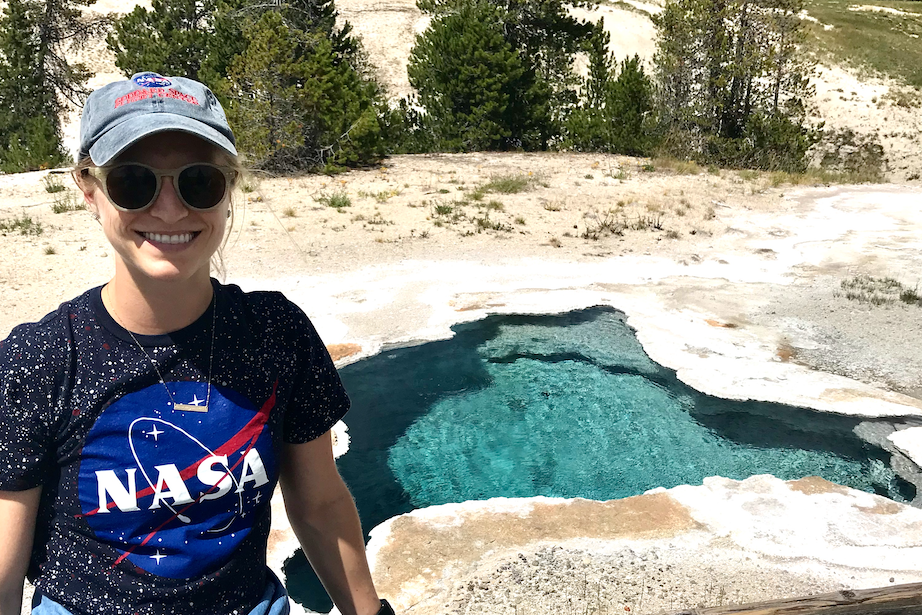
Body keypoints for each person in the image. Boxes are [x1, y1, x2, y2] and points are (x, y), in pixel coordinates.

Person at [0, 72, 393, 615]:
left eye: (198, 182)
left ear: (228, 188)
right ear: (89, 190)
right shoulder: (40, 358)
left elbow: (321, 503)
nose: (168, 209)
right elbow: (4, 564)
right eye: (133, 182)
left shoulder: (277, 334)